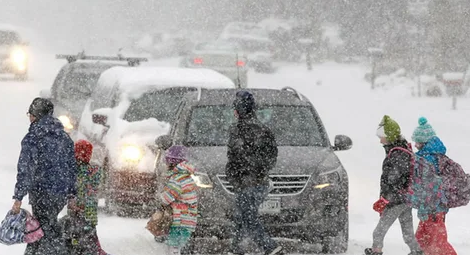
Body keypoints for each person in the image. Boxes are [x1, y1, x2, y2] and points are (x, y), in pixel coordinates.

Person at [12, 97, 77, 255]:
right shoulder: (64, 137)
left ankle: (51, 251)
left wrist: (18, 197)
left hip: (42, 192)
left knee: (45, 231)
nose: (29, 117)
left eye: (30, 114)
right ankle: (36, 251)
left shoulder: (33, 138)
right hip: (60, 194)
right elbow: (71, 168)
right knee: (46, 226)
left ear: (35, 115)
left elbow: (26, 169)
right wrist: (71, 194)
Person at [225, 91, 283, 255]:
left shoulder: (238, 131)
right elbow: (272, 157)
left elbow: (234, 158)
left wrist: (237, 175)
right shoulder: (264, 130)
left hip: (247, 183)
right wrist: (260, 172)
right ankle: (236, 248)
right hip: (258, 182)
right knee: (242, 217)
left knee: (248, 218)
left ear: (238, 111)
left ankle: (271, 247)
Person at [365, 115, 422, 255]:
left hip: (395, 200)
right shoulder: (401, 150)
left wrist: (385, 199)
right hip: (405, 199)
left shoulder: (397, 153)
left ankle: (376, 251)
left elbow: (393, 179)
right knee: (407, 231)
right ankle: (416, 251)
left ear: (389, 136)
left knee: (379, 231)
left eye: (381, 137)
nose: (380, 141)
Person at [411, 117, 457, 255]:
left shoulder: (426, 160)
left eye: (417, 141)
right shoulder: (436, 156)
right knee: (422, 240)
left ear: (423, 142)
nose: (415, 144)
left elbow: (429, 187)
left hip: (432, 208)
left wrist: (424, 208)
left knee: (437, 243)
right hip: (437, 207)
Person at [63, 139, 108, 255]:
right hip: (90, 211)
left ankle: (77, 250)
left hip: (75, 209)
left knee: (75, 235)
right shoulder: (95, 170)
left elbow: (70, 189)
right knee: (90, 235)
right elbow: (95, 188)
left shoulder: (72, 170)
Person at [160, 145, 198, 255]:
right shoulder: (186, 177)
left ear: (171, 163)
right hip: (188, 219)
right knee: (180, 245)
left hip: (179, 220)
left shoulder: (176, 179)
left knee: (173, 246)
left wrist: (161, 198)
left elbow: (167, 198)